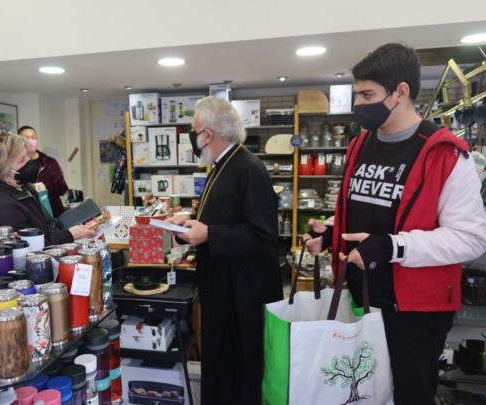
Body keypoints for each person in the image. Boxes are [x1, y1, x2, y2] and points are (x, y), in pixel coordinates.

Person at [303, 43, 486, 404]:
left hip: (414, 311)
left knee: (408, 395)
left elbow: (469, 239)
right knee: (357, 393)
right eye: (357, 94)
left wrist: (392, 246)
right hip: (359, 298)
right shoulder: (359, 145)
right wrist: (332, 233)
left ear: (401, 92)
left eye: (367, 95)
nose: (358, 104)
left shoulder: (445, 153)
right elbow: (366, 208)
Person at [167, 96, 283, 405]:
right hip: (222, 284)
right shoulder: (221, 166)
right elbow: (220, 218)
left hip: (243, 292)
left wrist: (209, 233)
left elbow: (264, 236)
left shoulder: (248, 168)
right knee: (221, 361)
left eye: (194, 131)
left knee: (240, 366)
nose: (193, 137)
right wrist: (188, 225)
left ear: (208, 134)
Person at [0, 131, 95, 245]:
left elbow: (44, 228)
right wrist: (69, 235)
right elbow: (27, 247)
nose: (29, 161)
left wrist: (75, 228)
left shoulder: (23, 187)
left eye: (27, 155)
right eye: (22, 160)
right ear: (2, 169)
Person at [17, 125, 69, 218]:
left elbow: (62, 188)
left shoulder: (49, 162)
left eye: (33, 137)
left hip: (53, 213)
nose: (31, 140)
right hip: (29, 214)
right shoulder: (16, 164)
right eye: (27, 138)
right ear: (19, 141)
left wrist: (45, 189)